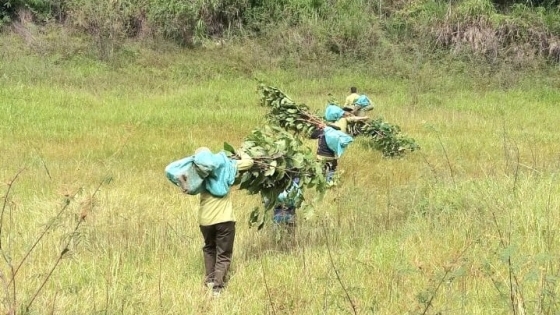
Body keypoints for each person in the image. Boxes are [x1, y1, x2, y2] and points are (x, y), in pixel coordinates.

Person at [166, 146, 254, 297]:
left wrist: (192, 159)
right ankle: (217, 288)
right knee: (224, 253)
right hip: (225, 218)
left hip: (205, 220)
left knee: (209, 248)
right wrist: (241, 152)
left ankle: (210, 281)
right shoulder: (226, 166)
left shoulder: (198, 174)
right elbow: (249, 162)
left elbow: (171, 168)